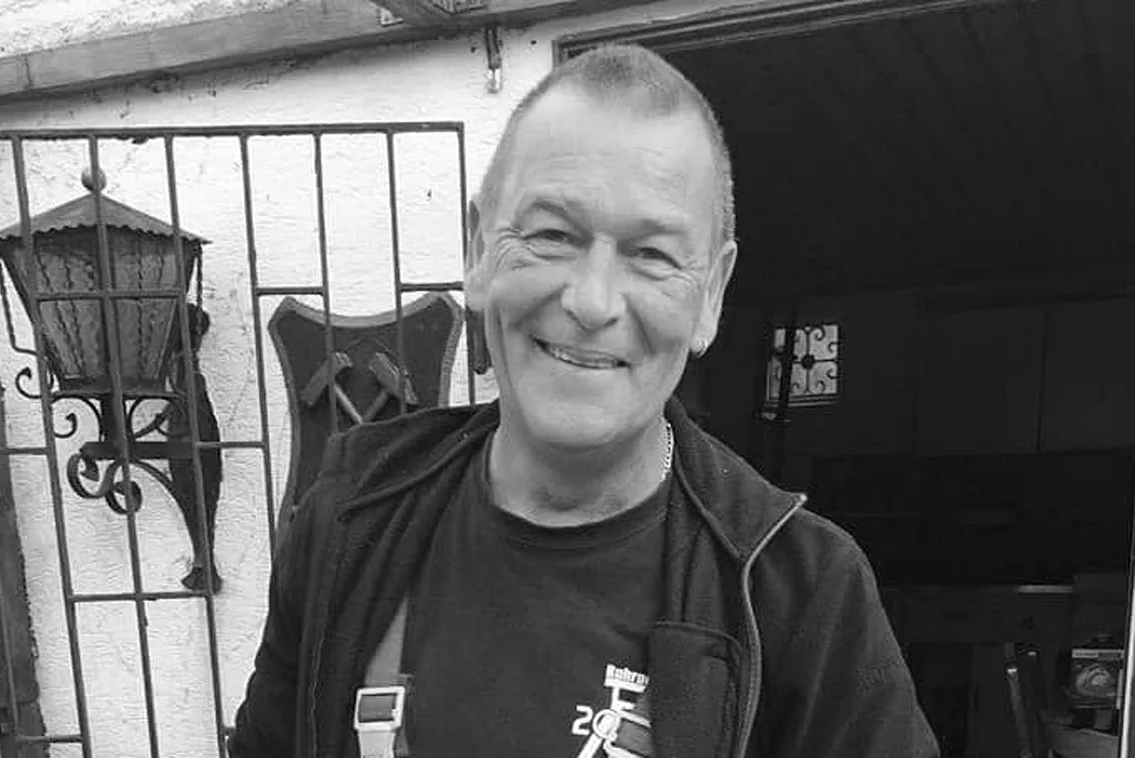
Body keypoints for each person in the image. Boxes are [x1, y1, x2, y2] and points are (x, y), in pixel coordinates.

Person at [229, 44, 938, 758]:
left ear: (711, 295)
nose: (593, 302)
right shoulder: (352, 516)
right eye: (552, 236)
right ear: (478, 250)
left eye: (652, 255)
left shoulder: (798, 593)